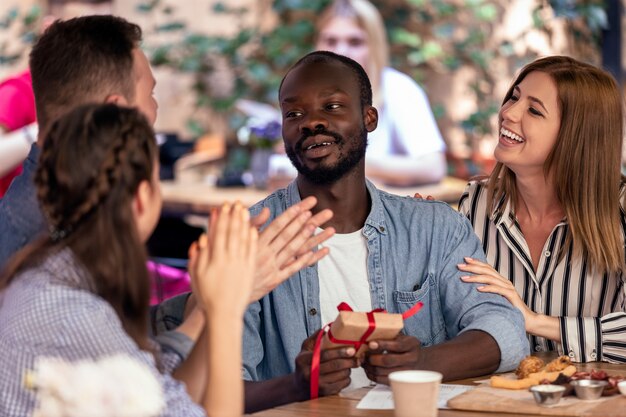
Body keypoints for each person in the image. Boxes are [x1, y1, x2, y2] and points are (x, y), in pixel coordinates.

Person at [240, 51, 528, 412]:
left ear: (369, 118)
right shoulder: (252, 239)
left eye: (331, 106)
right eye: (293, 113)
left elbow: (507, 332)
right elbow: (212, 389)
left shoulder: (435, 228)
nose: (311, 122)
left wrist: (418, 364)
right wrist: (298, 385)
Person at [0, 103, 257, 416]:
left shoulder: (48, 277)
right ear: (141, 198)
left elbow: (169, 401)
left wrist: (212, 306)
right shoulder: (76, 315)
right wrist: (227, 312)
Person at [457, 56, 626, 363]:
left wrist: (536, 322)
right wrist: (426, 239)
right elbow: (450, 318)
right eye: (514, 97)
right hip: (495, 401)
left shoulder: (621, 210)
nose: (508, 112)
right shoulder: (476, 203)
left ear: (576, 136)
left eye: (534, 110)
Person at [315, 0, 446, 186]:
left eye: (355, 42)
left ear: (374, 46)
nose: (341, 51)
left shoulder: (398, 88)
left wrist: (343, 163)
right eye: (331, 41)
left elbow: (433, 167)